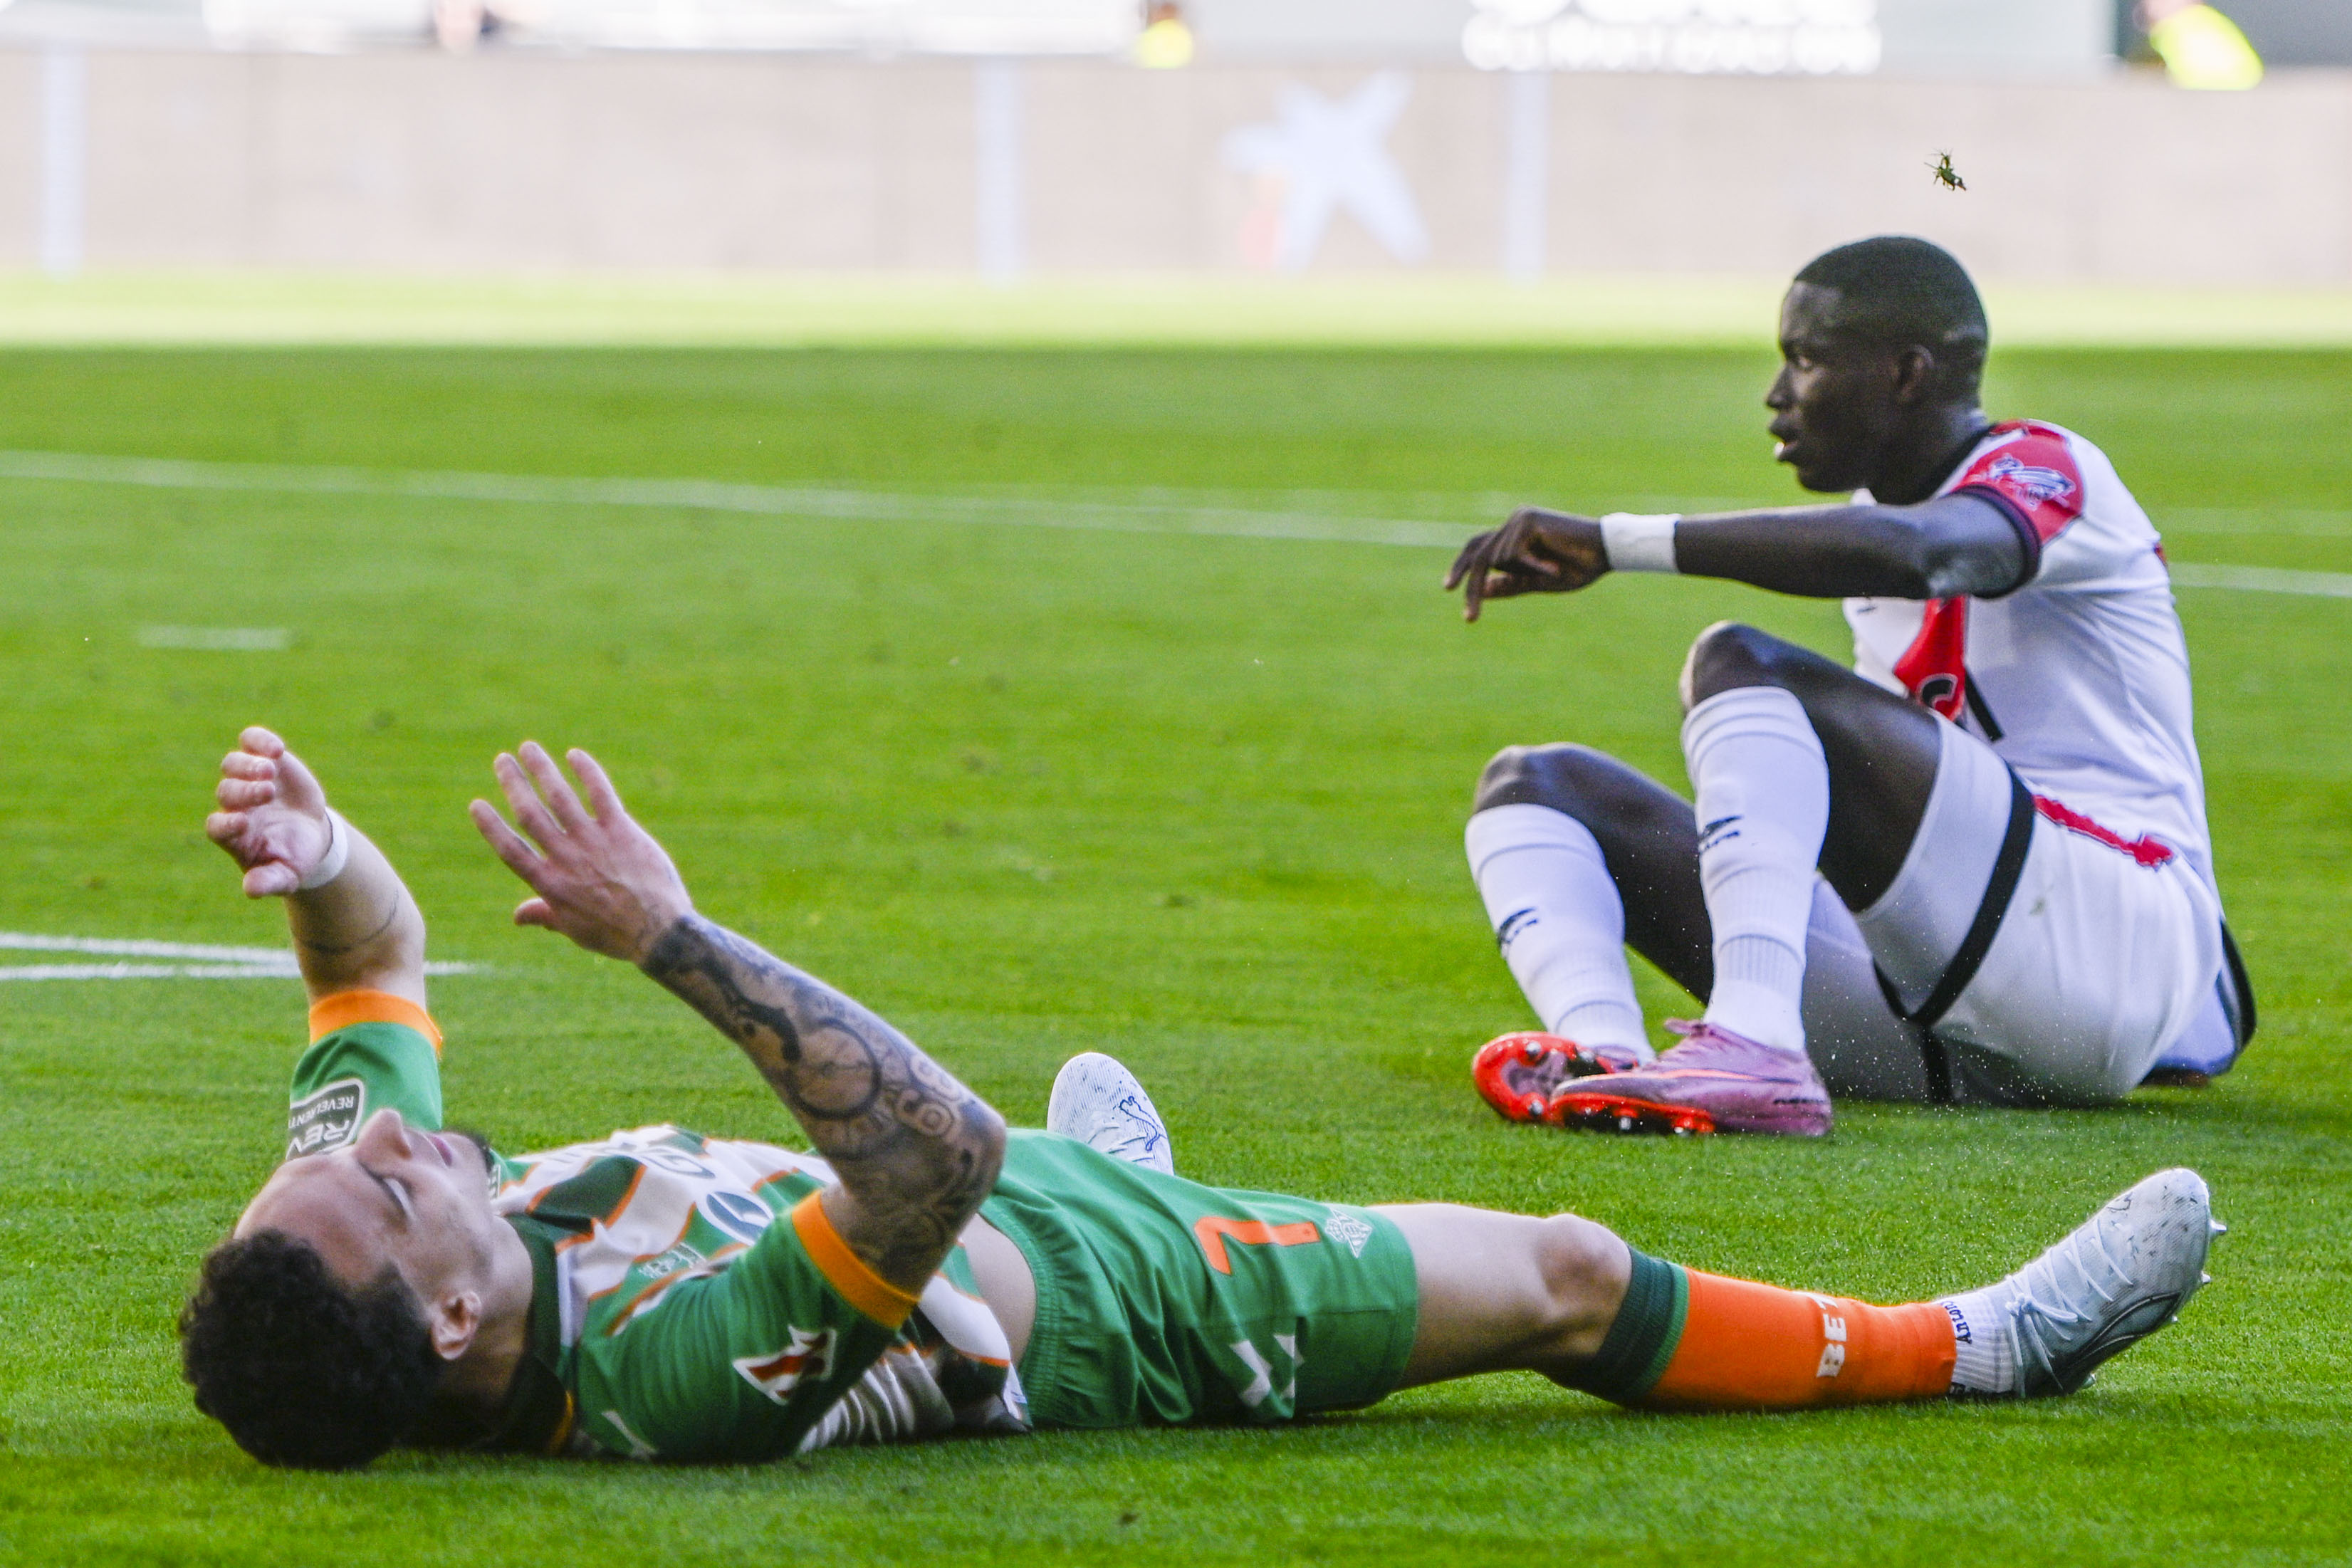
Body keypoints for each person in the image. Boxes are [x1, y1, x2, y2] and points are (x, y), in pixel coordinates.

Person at [181, 726, 2219, 1468]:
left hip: (1009, 1211)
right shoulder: (659, 1384)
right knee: (1570, 1272)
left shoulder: (346, 1252)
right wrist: (669, 940)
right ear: (444, 1317)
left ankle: (1123, 1159)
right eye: (381, 1182)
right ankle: (1970, 1349)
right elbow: (933, 1156)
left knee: (1036, 1163)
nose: (372, 1137)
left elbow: (370, 963)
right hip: (1133, 1297)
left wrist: (325, 842)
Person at [1445, 235, 2251, 1137]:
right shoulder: (1872, 527)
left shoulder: (2047, 468)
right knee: (1534, 787)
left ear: (1907, 374)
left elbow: (1926, 553)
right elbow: (1887, 551)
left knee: (1741, 662)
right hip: (1946, 1018)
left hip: (2110, 956)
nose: (1777, 394)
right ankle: (1600, 1056)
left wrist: (1616, 542)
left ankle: (1752, 1045)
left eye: (1806, 359)